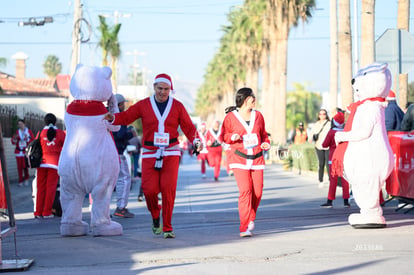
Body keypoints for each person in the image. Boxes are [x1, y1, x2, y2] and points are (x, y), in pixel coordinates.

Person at [104, 73, 202, 239]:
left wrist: (196, 140)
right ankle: (156, 215)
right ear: (154, 87)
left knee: (168, 190)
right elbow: (127, 116)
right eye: (160, 88)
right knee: (149, 190)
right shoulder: (144, 105)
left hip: (171, 151)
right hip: (150, 152)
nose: (163, 92)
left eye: (166, 89)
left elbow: (188, 127)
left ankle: (168, 226)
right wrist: (113, 117)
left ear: (170, 90)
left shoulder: (177, 106)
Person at [220, 87, 270, 238]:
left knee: (258, 191)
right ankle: (244, 226)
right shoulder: (230, 117)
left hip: (257, 158)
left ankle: (251, 217)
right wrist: (232, 137)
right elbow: (223, 136)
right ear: (243, 99)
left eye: (254, 97)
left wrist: (266, 143)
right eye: (251, 97)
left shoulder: (258, 115)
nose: (254, 100)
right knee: (245, 190)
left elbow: (264, 135)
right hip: (239, 158)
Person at [34, 113, 65, 218]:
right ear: (55, 122)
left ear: (45, 122)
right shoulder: (60, 133)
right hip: (54, 164)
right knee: (50, 188)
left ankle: (38, 212)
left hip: (41, 163)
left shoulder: (40, 133)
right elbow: (66, 148)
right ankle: (47, 212)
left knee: (40, 188)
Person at [320, 112, 350, 208]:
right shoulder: (345, 132)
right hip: (344, 157)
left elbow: (324, 145)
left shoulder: (332, 132)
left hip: (333, 158)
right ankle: (346, 201)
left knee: (333, 180)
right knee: (345, 180)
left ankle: (330, 201)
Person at [112, 94, 135, 218]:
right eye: (123, 104)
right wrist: (130, 134)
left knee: (105, 182)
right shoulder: (119, 116)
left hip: (104, 152)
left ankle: (100, 210)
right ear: (119, 104)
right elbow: (120, 135)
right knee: (124, 179)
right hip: (117, 152)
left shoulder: (104, 113)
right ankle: (121, 207)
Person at [308, 109, 330, 188]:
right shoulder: (316, 124)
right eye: (320, 114)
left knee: (328, 164)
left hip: (327, 146)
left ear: (326, 115)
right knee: (321, 164)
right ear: (318, 115)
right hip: (319, 146)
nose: (322, 116)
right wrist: (310, 139)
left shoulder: (329, 124)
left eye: (324, 114)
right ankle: (320, 180)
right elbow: (311, 134)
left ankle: (330, 180)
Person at [11, 119, 34, 187]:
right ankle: (20, 181)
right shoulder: (17, 132)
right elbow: (13, 141)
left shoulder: (28, 131)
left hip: (25, 152)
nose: (20, 125)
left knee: (25, 167)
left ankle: (26, 179)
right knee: (19, 167)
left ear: (24, 124)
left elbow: (32, 140)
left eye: (21, 124)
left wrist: (27, 138)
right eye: (19, 124)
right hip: (18, 152)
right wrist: (15, 139)